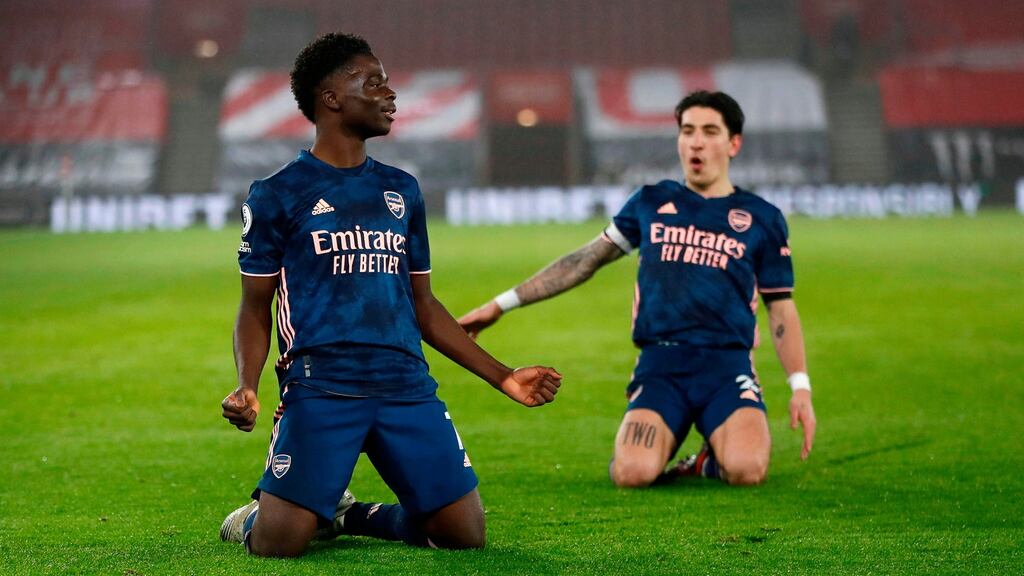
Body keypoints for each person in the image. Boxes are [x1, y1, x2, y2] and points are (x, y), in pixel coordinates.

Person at [218, 32, 562, 558]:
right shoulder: (277, 194)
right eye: (373, 82)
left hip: (405, 383)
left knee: (463, 536)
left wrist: (504, 376)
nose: (390, 94)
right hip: (322, 385)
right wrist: (247, 386)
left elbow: (424, 305)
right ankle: (263, 515)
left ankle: (348, 513)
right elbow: (254, 307)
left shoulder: (402, 190)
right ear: (331, 98)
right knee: (278, 545)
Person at [459, 91, 816, 488]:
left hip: (727, 366)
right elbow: (584, 261)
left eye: (710, 131)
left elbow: (781, 309)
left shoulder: (761, 218)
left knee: (747, 470)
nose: (696, 141)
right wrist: (500, 305)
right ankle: (681, 447)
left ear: (733, 143)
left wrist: (800, 387)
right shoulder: (651, 201)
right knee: (632, 473)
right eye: (687, 131)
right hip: (661, 365)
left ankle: (707, 461)